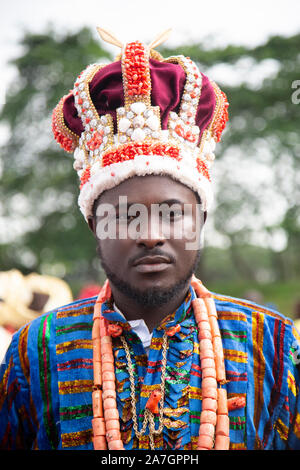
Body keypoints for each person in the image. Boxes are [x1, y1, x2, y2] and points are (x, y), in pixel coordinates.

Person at [0, 28, 300, 451]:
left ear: (201, 221)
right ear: (94, 226)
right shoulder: (36, 350)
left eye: (173, 214)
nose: (151, 235)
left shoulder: (271, 344)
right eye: (125, 217)